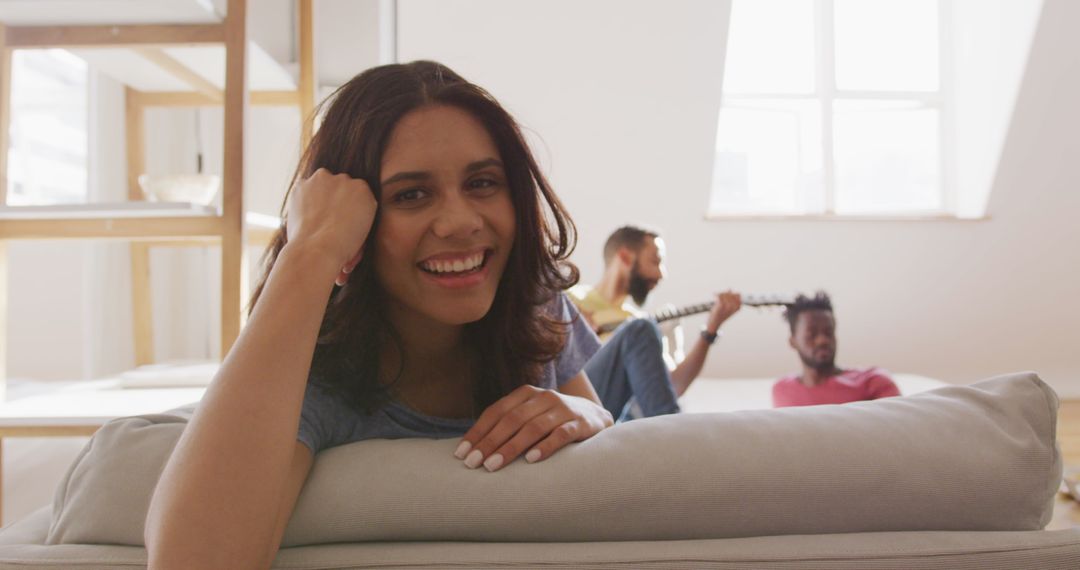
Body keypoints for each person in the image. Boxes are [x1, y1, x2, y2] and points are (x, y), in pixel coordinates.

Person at [144, 61, 613, 568]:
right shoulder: (318, 382)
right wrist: (311, 249)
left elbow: (605, 425)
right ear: (352, 219)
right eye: (411, 194)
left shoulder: (532, 298)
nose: (459, 222)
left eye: (482, 183)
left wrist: (593, 416)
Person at [568, 226, 741, 420]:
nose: (661, 274)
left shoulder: (640, 329)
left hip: (614, 413)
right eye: (655, 261)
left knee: (643, 328)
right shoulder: (571, 299)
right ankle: (674, 439)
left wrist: (710, 331)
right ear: (625, 257)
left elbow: (674, 386)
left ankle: (669, 435)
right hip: (573, 399)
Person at [772, 291, 900, 407]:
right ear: (793, 342)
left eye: (829, 332)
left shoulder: (873, 381)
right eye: (812, 334)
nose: (823, 340)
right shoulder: (781, 390)